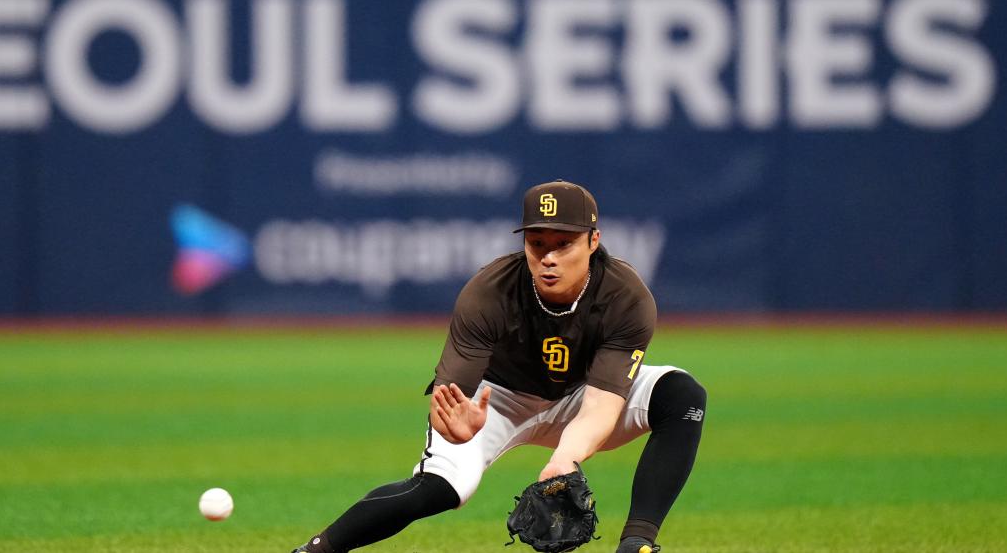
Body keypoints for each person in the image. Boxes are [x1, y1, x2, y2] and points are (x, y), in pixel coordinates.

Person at [293, 180, 706, 553]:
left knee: (682, 395)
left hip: (583, 397)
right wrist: (451, 421)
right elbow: (451, 393)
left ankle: (637, 544)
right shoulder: (490, 291)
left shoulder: (626, 296)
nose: (548, 257)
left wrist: (566, 459)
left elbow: (602, 403)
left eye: (564, 244)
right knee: (442, 487)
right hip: (496, 400)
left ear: (593, 240)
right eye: (537, 243)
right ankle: (316, 550)